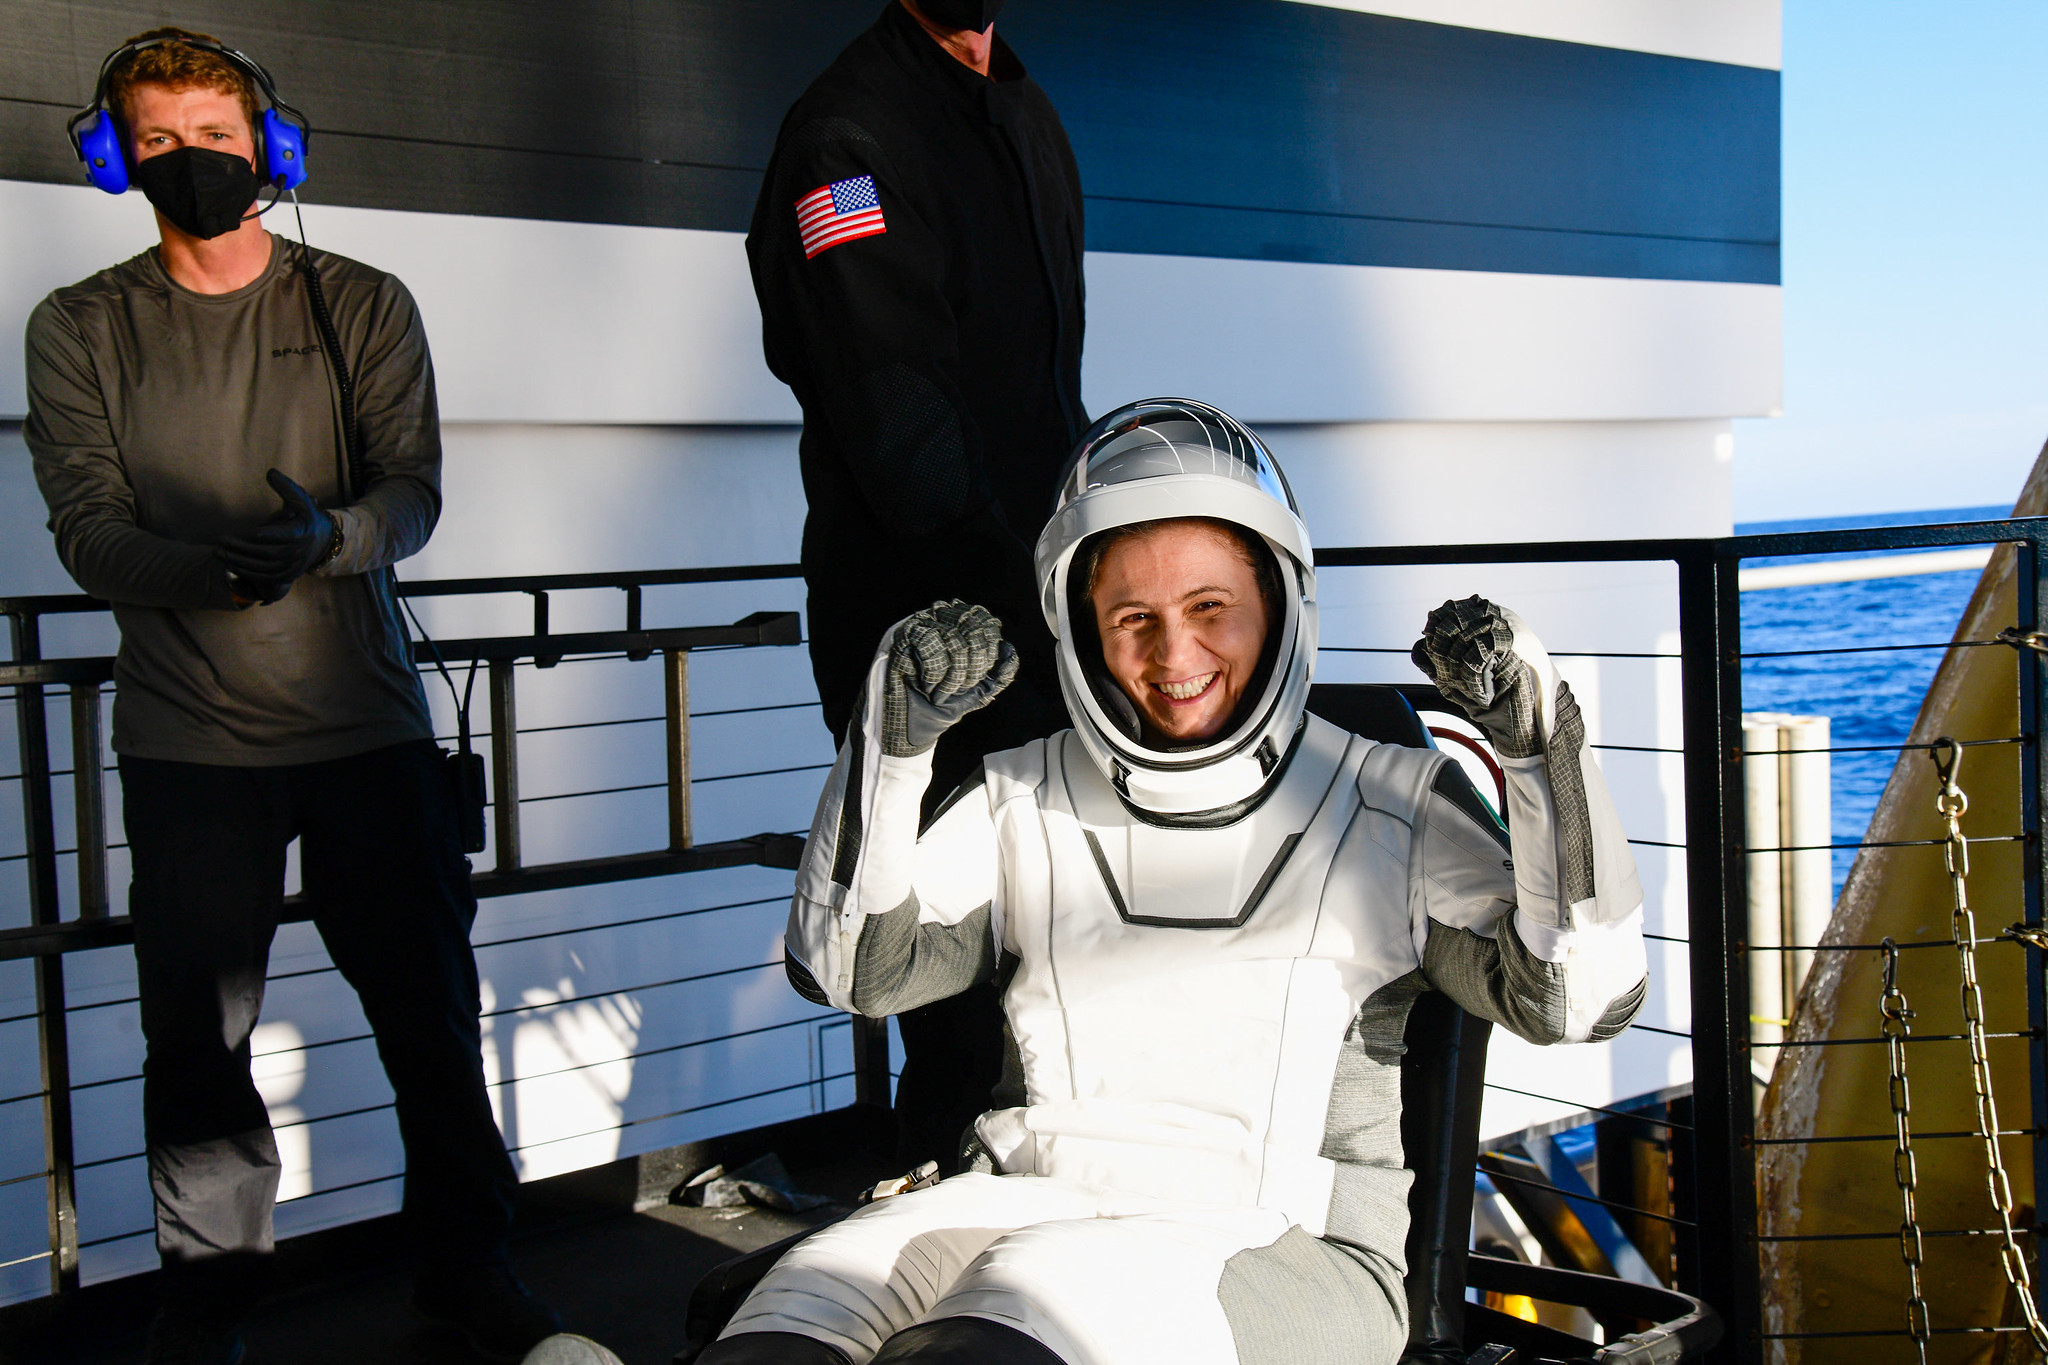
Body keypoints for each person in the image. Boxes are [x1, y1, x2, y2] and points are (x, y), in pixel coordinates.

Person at [700, 399, 1648, 1365]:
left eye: (1209, 607)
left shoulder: (1390, 797)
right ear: (1082, 632)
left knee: (1003, 1321)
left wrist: (1541, 747)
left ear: (1279, 603)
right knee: (796, 1316)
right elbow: (849, 968)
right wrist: (891, 743)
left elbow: (1581, 996)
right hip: (1016, 1197)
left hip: (1287, 1239)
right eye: (1132, 619)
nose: (1173, 654)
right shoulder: (1021, 792)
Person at [23, 29, 558, 1364]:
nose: (191, 159)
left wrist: (329, 540)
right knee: (195, 1048)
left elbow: (411, 492)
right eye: (159, 139)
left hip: (368, 731)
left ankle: (469, 1271)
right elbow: (88, 531)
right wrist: (219, 570)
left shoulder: (359, 302)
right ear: (114, 157)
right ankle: (208, 1307)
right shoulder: (80, 326)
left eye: (215, 134)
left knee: (430, 1020)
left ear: (270, 144)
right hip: (186, 747)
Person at [747, 0, 1087, 1172]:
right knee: (956, 968)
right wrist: (1037, 602)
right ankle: (942, 1203)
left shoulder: (1025, 113)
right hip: (932, 635)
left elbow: (1046, 392)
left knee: (1055, 936)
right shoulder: (845, 141)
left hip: (1042, 615)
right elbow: (899, 422)